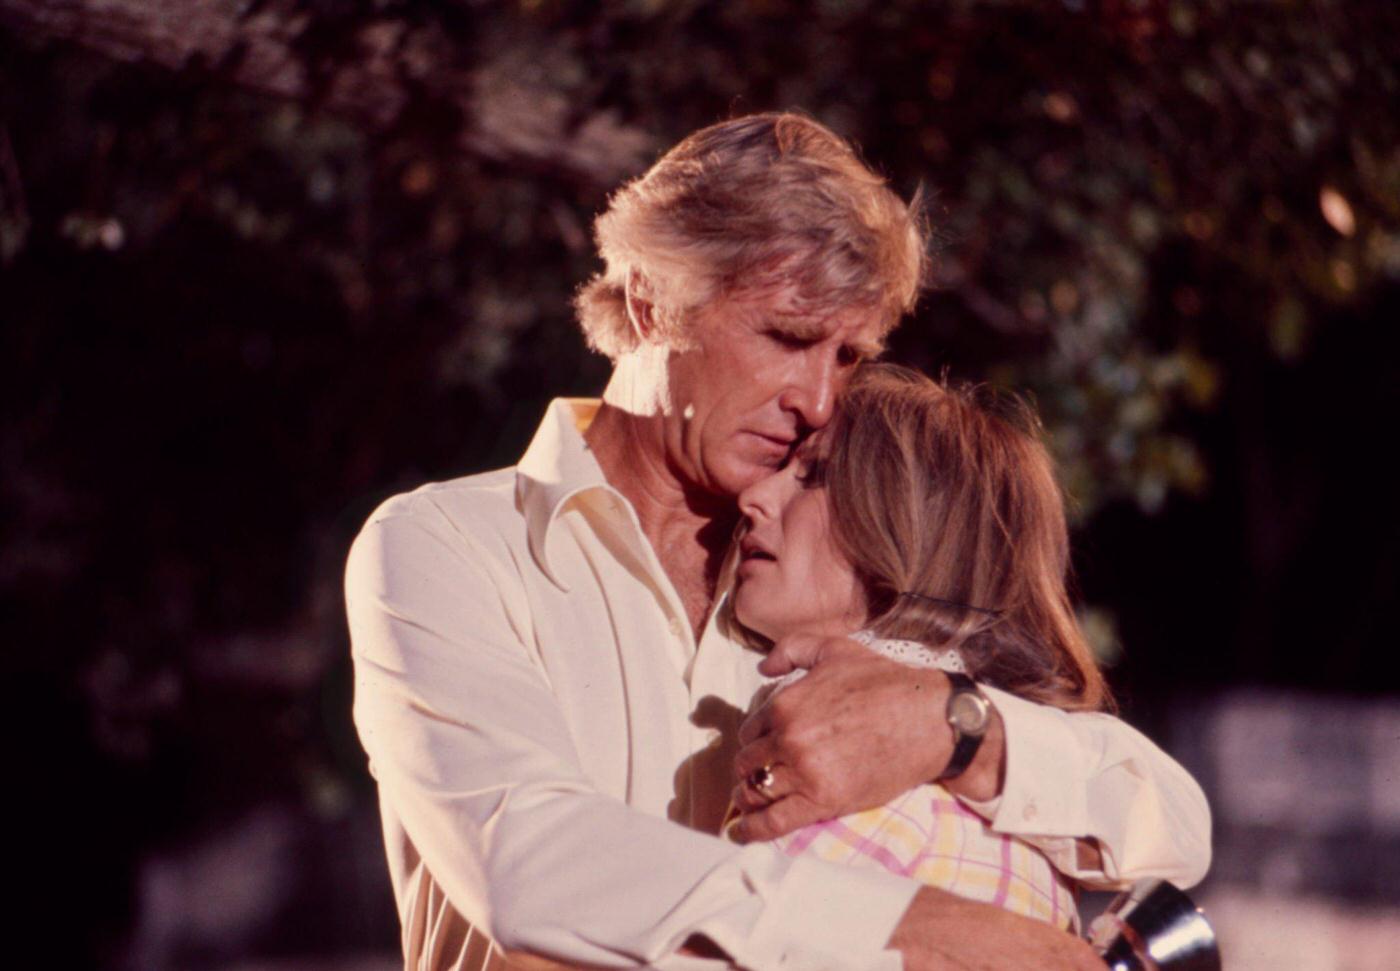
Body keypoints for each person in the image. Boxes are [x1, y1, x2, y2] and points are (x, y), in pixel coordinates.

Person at [345, 112, 1209, 971]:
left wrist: (956, 731)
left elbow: (1174, 828)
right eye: (789, 337)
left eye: (847, 356)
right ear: (650, 301)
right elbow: (529, 867)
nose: (820, 400)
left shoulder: (822, 572)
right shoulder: (448, 545)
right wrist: (926, 928)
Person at [726, 363, 1136, 931]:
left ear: (909, 526)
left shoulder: (854, 776)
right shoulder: (1000, 803)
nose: (754, 497)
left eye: (814, 475)